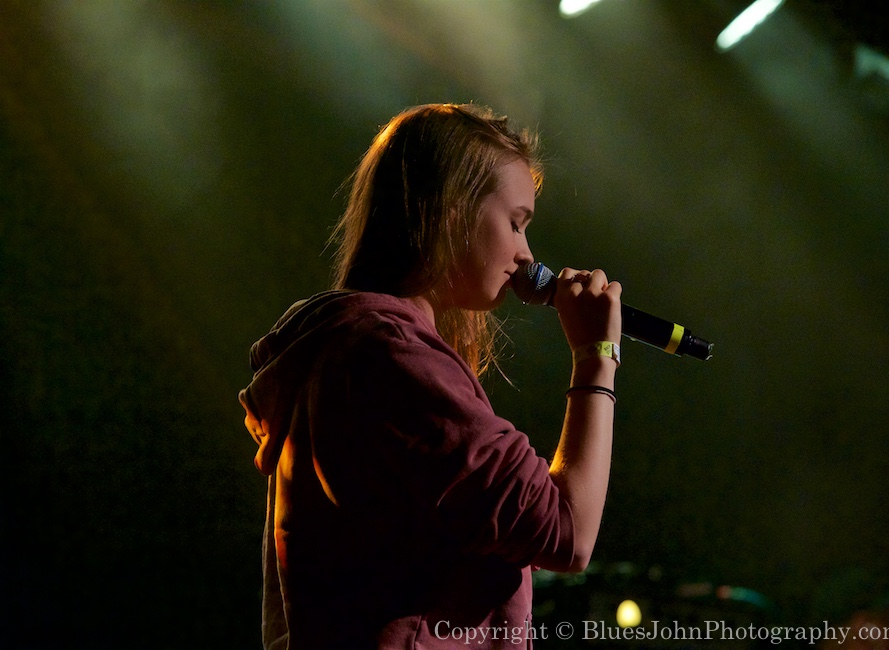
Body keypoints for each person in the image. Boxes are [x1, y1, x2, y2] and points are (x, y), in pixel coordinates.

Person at [238, 103, 622, 649]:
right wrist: (596, 354)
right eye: (515, 222)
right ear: (450, 208)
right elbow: (567, 532)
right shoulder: (389, 355)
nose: (525, 254)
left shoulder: (354, 347)